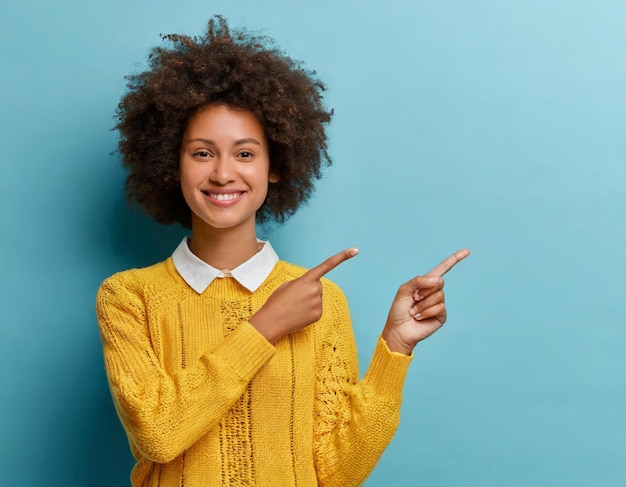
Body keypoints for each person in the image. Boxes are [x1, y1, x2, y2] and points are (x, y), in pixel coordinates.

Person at [96, 16, 469, 487]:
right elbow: (158, 434)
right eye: (202, 153)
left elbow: (337, 474)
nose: (224, 173)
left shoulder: (322, 301)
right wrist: (267, 324)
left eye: (246, 153)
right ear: (172, 165)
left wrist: (395, 347)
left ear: (277, 166)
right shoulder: (129, 297)